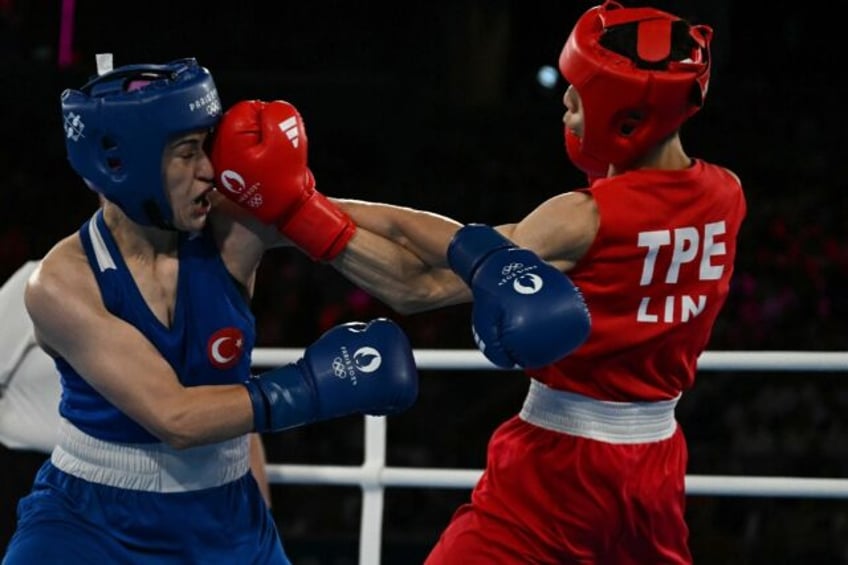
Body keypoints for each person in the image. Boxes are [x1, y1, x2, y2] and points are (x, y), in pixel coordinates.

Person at [209, 1, 747, 562]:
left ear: (624, 111)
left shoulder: (584, 218)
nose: (565, 103)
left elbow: (418, 286)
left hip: (555, 470)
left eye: (580, 93)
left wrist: (295, 210)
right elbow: (464, 242)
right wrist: (306, 203)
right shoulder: (727, 196)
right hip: (655, 466)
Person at [2, 56, 419, 564]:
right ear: (126, 161)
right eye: (187, 153)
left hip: (224, 508)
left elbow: (385, 229)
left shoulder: (231, 227)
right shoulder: (61, 282)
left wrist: (485, 259)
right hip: (90, 520)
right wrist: (317, 385)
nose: (210, 169)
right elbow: (176, 416)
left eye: (206, 147)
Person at [0, 258, 274, 550]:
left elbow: (227, 411)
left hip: (161, 486)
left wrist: (259, 524)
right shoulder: (46, 282)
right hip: (32, 476)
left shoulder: (189, 303)